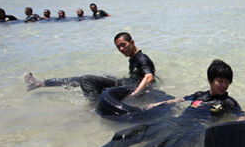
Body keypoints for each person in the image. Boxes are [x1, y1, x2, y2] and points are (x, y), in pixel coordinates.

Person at [42, 59, 245, 147]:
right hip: (175, 122)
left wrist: (242, 128)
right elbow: (180, 100)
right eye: (220, 81)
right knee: (125, 135)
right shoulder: (199, 94)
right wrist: (157, 105)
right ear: (211, 80)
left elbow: (241, 117)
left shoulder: (228, 102)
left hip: (192, 131)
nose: (224, 85)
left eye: (227, 81)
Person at [24, 32, 155, 101]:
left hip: (128, 87)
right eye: (118, 47)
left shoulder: (142, 58)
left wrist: (134, 94)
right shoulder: (133, 58)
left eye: (123, 45)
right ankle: (41, 84)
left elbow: (149, 77)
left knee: (86, 79)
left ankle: (95, 104)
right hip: (125, 83)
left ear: (132, 42)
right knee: (83, 79)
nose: (121, 49)